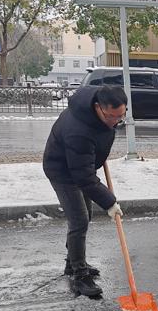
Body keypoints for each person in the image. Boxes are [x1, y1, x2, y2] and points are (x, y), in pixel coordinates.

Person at [43, 84, 126, 297]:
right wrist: (109, 202)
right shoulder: (79, 131)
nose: (116, 122)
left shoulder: (98, 110)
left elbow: (88, 162)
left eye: (121, 116)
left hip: (80, 167)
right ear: (98, 108)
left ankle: (73, 261)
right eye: (112, 117)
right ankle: (79, 275)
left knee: (85, 215)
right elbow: (83, 177)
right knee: (79, 220)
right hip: (63, 171)